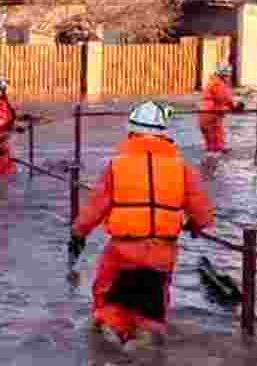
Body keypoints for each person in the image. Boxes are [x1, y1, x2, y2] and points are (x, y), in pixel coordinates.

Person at [70, 101, 215, 347]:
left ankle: (109, 346)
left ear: (131, 132)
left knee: (108, 305)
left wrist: (78, 233)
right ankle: (145, 350)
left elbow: (94, 208)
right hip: (161, 255)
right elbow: (203, 216)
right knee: (151, 314)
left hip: (122, 252)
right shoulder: (183, 169)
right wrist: (192, 226)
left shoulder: (117, 166)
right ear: (164, 134)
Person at [199, 64, 244, 153]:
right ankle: (213, 160)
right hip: (211, 116)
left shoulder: (215, 82)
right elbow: (224, 98)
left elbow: (225, 100)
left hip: (210, 116)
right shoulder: (218, 84)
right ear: (223, 75)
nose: (229, 77)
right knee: (215, 145)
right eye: (228, 75)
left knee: (213, 143)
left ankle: (213, 157)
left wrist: (234, 106)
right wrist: (235, 106)